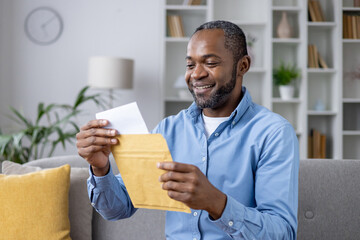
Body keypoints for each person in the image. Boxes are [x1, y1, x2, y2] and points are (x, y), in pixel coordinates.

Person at [76, 20, 299, 240]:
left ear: (243, 66)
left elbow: (281, 233)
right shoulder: (168, 130)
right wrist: (100, 168)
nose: (196, 74)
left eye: (210, 63)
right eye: (190, 65)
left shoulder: (273, 133)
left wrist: (216, 202)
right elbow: (118, 209)